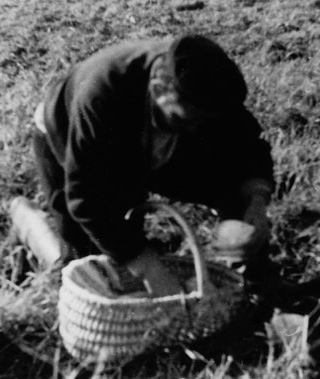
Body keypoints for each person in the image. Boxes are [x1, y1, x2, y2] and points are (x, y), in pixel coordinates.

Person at [30, 34, 275, 297]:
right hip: (72, 134)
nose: (196, 130)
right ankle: (28, 221)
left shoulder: (209, 88)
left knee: (231, 182)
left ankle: (254, 287)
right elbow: (86, 199)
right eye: (185, 121)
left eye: (202, 122)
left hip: (154, 140)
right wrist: (150, 268)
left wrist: (256, 203)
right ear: (159, 91)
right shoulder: (103, 94)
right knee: (90, 265)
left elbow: (248, 147)